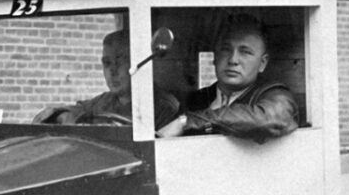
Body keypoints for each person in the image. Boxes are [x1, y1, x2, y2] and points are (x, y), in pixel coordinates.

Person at [157, 15, 299, 142]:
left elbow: (273, 118)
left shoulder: (276, 94)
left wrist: (187, 121)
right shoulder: (195, 100)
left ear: (262, 63)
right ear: (214, 56)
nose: (233, 60)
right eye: (226, 49)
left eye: (245, 52)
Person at [32, 30, 180, 128]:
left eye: (120, 61)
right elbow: (77, 110)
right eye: (107, 63)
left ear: (136, 62)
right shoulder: (103, 101)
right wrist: (61, 115)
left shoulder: (163, 107)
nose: (112, 71)